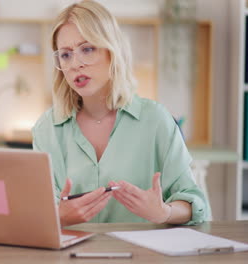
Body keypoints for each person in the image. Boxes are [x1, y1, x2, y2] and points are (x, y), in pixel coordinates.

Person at [31, 0, 210, 226]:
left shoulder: (155, 120)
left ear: (112, 51)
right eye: (66, 55)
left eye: (87, 49)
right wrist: (59, 216)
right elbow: (37, 213)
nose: (76, 64)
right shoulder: (46, 129)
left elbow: (195, 201)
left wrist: (164, 212)